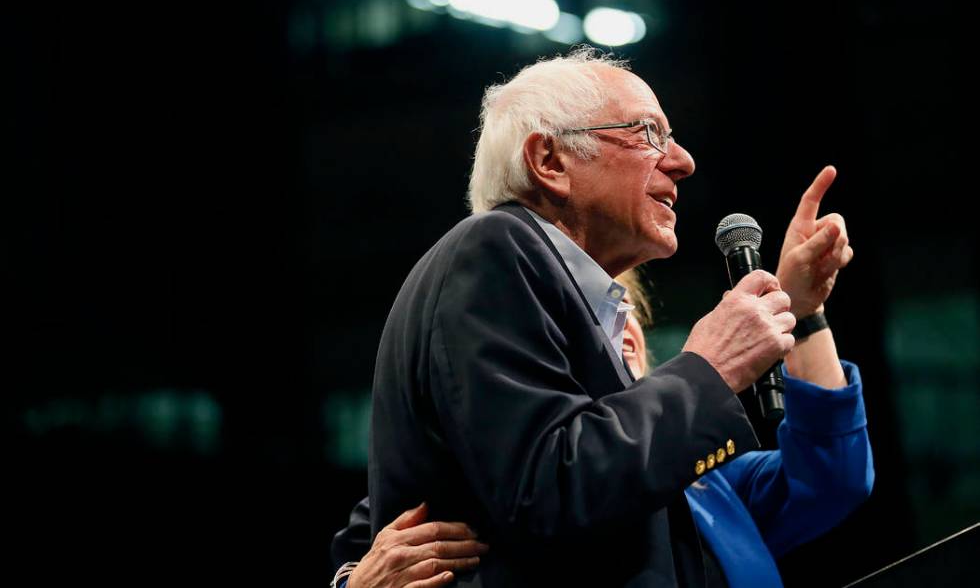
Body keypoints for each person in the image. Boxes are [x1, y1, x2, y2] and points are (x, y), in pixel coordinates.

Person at [348, 48, 869, 587]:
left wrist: (801, 313)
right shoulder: (495, 246)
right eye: (648, 133)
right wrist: (709, 368)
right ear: (550, 162)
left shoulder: (692, 483)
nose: (683, 160)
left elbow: (830, 482)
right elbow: (543, 487)